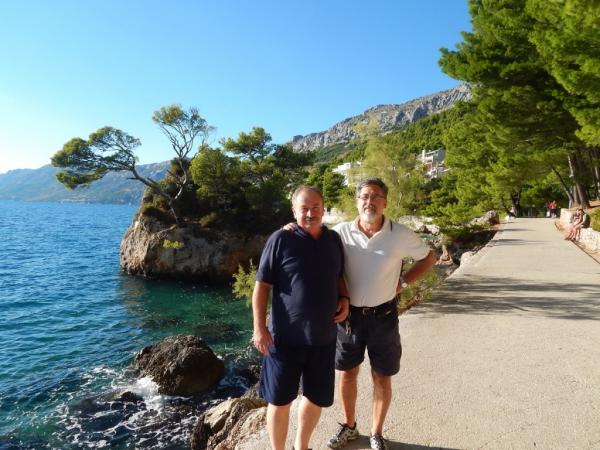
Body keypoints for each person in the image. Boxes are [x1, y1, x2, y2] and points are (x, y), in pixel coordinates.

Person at [328, 177, 436, 450]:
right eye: (365, 196)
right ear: (357, 201)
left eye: (376, 196)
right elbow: (311, 241)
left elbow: (429, 258)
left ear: (385, 202)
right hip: (349, 317)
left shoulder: (400, 234)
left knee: (381, 375)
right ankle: (350, 426)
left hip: (384, 316)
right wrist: (290, 228)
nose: (370, 201)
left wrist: (404, 282)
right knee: (347, 374)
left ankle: (376, 433)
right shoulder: (339, 233)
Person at [252, 185, 349, 450]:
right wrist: (259, 328)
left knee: (316, 398)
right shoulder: (280, 239)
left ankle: (301, 446)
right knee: (279, 401)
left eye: (315, 207)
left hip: (324, 338)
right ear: (294, 210)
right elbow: (261, 286)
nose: (310, 213)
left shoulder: (333, 240)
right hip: (284, 340)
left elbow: (338, 276)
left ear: (323, 208)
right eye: (304, 208)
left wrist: (345, 297)